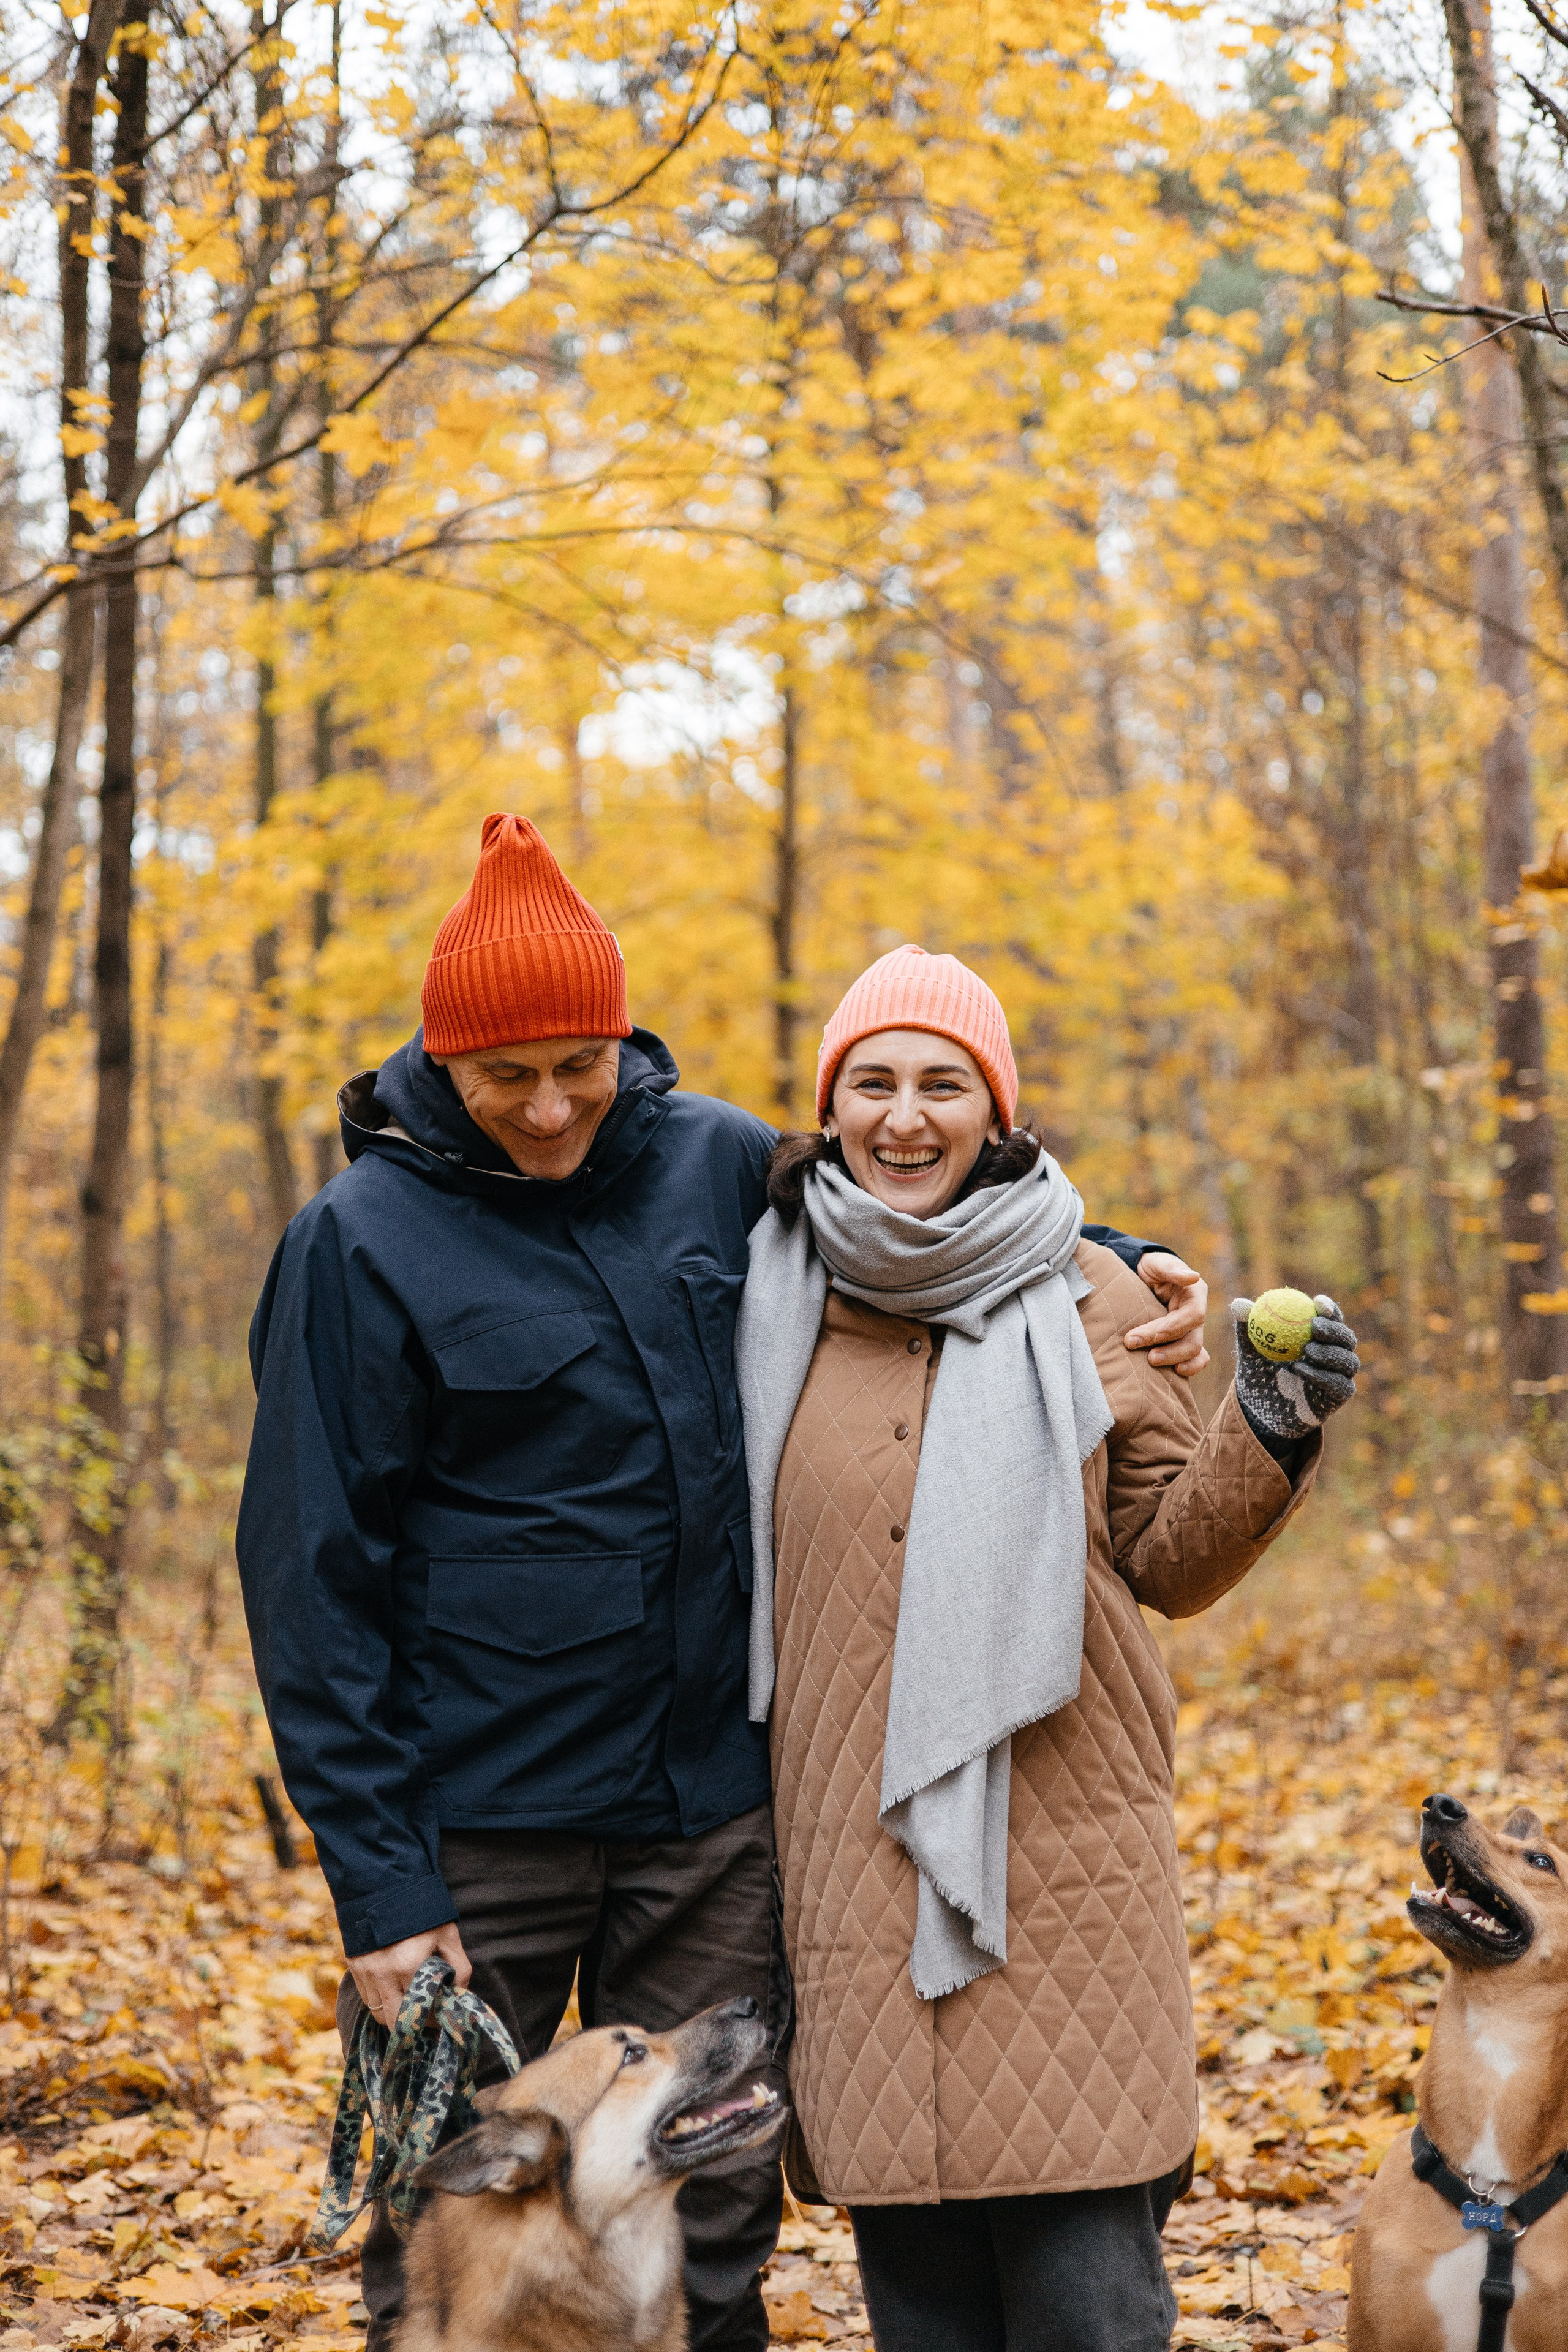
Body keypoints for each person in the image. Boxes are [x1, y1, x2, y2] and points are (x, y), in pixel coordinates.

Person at [235, 816, 1214, 2352]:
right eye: (509, 1077)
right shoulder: (357, 1242)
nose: (553, 1107)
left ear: (625, 1039)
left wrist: (1117, 1252)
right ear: (444, 1062)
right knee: (453, 2210)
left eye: (583, 1063)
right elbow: (310, 1578)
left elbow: (921, 1219)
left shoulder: (711, 1158)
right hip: (480, 1820)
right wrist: (383, 1883)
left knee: (710, 2214)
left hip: (709, 1812)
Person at [736, 945, 1360, 2352]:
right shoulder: (763, 1298)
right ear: (829, 1106)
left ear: (995, 1110)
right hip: (860, 1877)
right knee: (925, 2319)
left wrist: (1265, 1422)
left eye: (942, 1084)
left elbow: (1166, 1559)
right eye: (873, 1083)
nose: (905, 1116)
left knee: (1090, 2306)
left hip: (1068, 1880)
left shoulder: (1095, 1297)